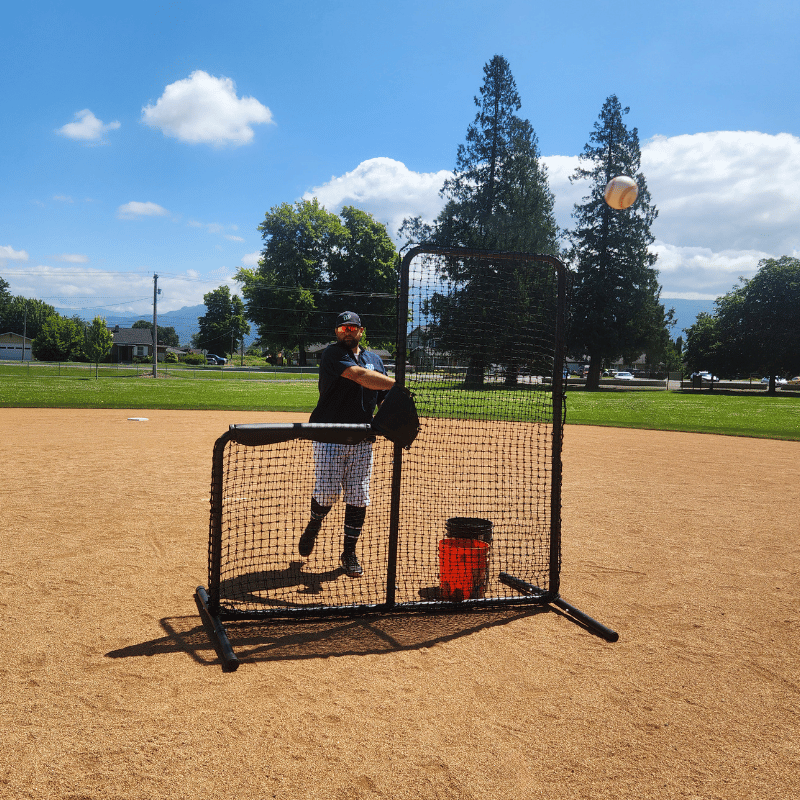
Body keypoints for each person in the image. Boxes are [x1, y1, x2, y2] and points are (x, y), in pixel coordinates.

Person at [299, 311, 395, 577]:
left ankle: (349, 553)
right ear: (336, 332)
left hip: (362, 439)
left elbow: (383, 396)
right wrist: (399, 384)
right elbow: (359, 376)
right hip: (329, 435)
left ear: (361, 331)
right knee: (329, 492)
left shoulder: (374, 359)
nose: (347, 331)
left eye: (352, 327)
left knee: (358, 496)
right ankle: (314, 524)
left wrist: (392, 410)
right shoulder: (332, 354)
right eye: (342, 328)